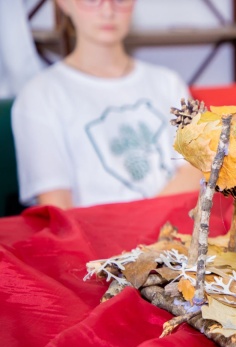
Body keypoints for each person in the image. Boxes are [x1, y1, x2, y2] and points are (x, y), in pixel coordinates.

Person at [11, 0, 202, 209]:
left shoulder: (168, 82)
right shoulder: (39, 96)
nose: (108, 10)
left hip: (174, 225)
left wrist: (146, 221)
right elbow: (57, 207)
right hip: (93, 229)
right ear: (64, 3)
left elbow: (197, 167)